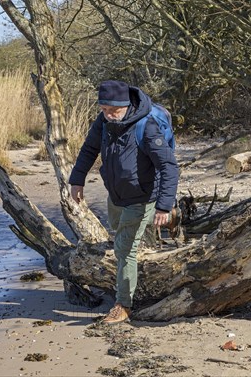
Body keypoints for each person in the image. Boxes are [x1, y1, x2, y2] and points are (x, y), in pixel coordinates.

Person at [69, 80, 178, 324]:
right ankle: (171, 217)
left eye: (113, 111)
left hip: (143, 196)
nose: (108, 115)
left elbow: (169, 166)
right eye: (103, 110)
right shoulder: (104, 122)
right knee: (120, 236)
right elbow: (89, 149)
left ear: (126, 106)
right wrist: (77, 180)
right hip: (116, 195)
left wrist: (163, 203)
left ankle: (123, 305)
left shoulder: (146, 126)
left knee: (124, 249)